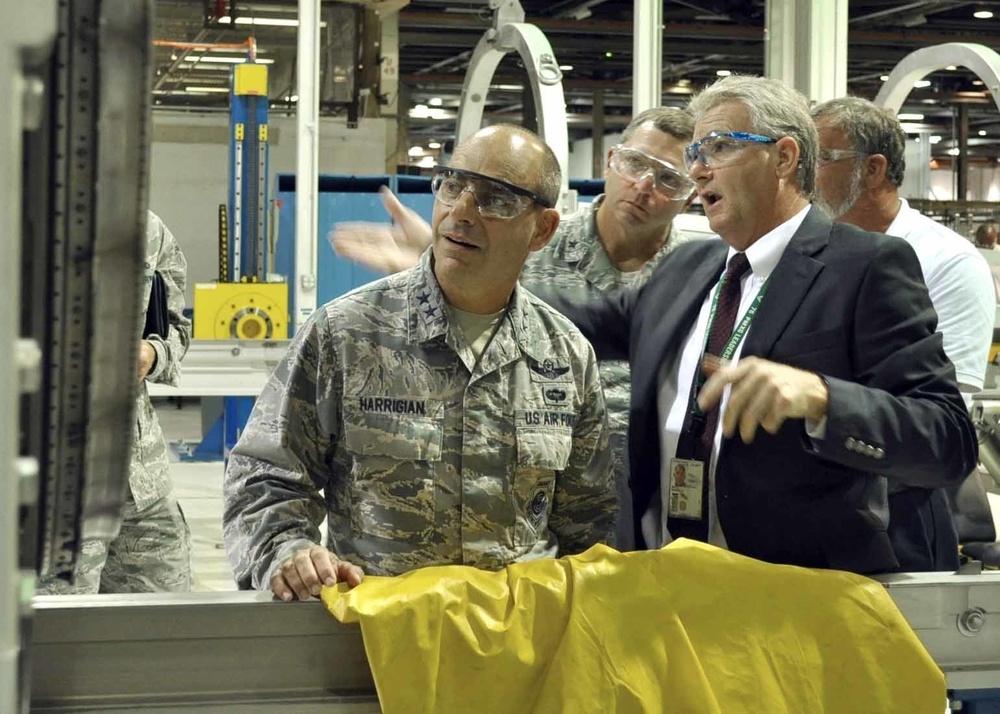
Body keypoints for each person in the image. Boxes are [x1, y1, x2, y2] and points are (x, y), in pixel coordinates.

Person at [545, 74, 978, 574]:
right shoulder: (686, 269)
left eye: (719, 146)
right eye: (696, 155)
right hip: (662, 581)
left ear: (784, 157)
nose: (700, 170)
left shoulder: (864, 267)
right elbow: (574, 317)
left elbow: (947, 440)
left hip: (792, 598)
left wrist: (823, 398)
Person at [223, 124, 616, 602]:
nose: (461, 211)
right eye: (453, 184)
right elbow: (265, 477)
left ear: (543, 228)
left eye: (495, 198)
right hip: (382, 641)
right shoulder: (347, 333)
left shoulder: (564, 355)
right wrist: (287, 551)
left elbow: (587, 526)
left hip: (519, 647)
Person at [333, 108, 701, 550]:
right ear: (610, 160)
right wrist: (435, 260)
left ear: (693, 191)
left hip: (654, 502)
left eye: (669, 179)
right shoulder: (524, 242)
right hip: (513, 500)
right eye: (635, 164)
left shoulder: (698, 279)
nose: (644, 186)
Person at [811, 96, 995, 571]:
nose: (803, 174)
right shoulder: (811, 251)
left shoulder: (947, 261)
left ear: (872, 170)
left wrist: (820, 399)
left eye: (821, 159)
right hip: (817, 505)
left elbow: (940, 411)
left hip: (900, 513)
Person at [37, 210, 193, 594]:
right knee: (55, 638)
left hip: (142, 485)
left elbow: (176, 325)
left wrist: (154, 355)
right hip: (52, 494)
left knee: (162, 631)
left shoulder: (148, 229)